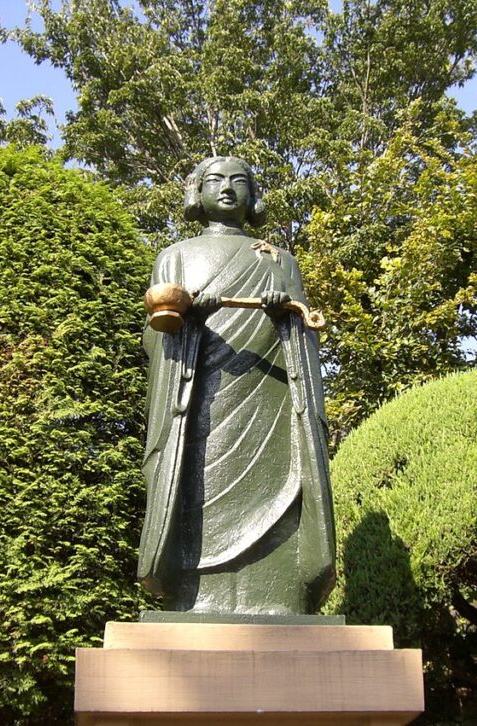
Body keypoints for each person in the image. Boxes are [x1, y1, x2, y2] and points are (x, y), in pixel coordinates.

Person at [137, 156, 335, 615]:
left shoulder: (278, 260)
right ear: (196, 191)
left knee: (278, 490)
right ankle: (191, 596)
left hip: (269, 400)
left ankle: (279, 595)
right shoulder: (175, 257)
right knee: (191, 490)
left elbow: (305, 330)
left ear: (253, 195)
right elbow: (155, 336)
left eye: (239, 182)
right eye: (215, 181)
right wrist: (189, 316)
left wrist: (282, 312)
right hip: (197, 398)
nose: (227, 190)